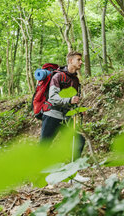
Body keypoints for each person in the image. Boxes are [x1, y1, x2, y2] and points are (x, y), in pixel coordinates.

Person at [40, 51, 89, 182]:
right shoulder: (58, 76)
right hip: (51, 115)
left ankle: (74, 175)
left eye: (81, 60)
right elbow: (53, 97)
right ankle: (38, 176)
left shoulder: (76, 79)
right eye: (78, 60)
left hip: (65, 117)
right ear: (70, 61)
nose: (81, 62)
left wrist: (78, 109)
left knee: (78, 141)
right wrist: (69, 100)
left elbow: (73, 99)